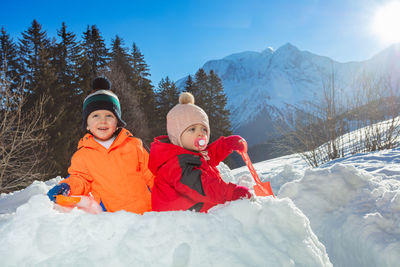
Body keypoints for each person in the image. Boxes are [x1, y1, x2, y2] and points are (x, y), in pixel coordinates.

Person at [47, 77, 154, 214]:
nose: (103, 121)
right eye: (95, 116)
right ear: (87, 124)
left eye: (109, 116)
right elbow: (80, 179)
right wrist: (67, 186)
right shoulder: (84, 155)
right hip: (115, 219)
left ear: (117, 123)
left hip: (150, 214)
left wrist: (167, 201)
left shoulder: (134, 146)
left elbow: (152, 176)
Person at [149, 92, 252, 213]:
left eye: (204, 129)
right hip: (181, 218)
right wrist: (230, 192)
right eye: (192, 129)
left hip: (196, 206)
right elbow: (202, 185)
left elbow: (210, 154)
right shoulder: (175, 164)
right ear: (176, 136)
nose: (201, 133)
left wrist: (228, 144)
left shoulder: (189, 152)